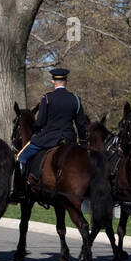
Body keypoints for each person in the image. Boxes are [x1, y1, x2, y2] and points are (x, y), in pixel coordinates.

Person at [14, 67, 85, 198]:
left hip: (49, 138)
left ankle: (19, 192)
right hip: (69, 139)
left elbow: (40, 122)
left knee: (21, 157)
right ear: (66, 81)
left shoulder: (47, 97)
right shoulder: (76, 99)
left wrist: (35, 127)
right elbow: (81, 125)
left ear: (53, 81)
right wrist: (83, 143)